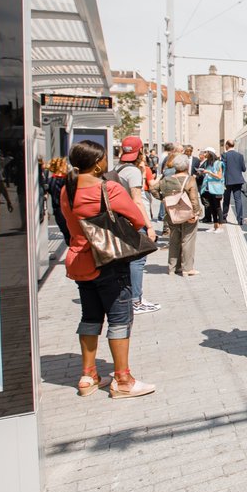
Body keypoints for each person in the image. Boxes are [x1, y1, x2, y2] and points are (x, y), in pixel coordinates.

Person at [61, 140, 154, 399]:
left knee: (90, 317)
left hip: (79, 260)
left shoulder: (66, 189)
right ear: (98, 162)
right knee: (120, 320)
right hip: (107, 260)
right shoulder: (108, 188)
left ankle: (88, 376)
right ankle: (123, 379)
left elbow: (66, 221)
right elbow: (136, 218)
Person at [113, 137, 160, 315]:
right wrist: (148, 226)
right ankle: (136, 300)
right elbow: (137, 202)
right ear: (141, 151)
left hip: (122, 221)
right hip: (134, 221)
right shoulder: (132, 172)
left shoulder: (117, 168)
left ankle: (130, 298)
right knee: (138, 261)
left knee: (129, 261)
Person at [150, 154, 201, 276]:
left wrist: (163, 198)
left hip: (172, 214)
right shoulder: (190, 180)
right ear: (187, 166)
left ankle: (173, 267)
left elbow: (153, 188)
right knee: (187, 239)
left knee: (174, 240)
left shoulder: (167, 179)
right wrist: (196, 212)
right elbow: (194, 199)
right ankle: (187, 269)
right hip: (188, 214)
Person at [221, 140, 247, 225]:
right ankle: (240, 220)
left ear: (227, 145)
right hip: (238, 181)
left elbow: (222, 168)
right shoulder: (240, 156)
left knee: (226, 200)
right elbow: (244, 169)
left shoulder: (224, 155)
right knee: (238, 200)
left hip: (227, 181)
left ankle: (224, 217)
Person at [199, 148, 226, 232]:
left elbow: (219, 176)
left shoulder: (218, 163)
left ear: (210, 153)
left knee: (217, 207)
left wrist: (209, 173)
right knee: (211, 208)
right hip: (208, 188)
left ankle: (220, 226)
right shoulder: (207, 163)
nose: (204, 154)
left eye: (206, 152)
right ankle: (215, 225)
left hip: (216, 188)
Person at [47, 157, 71, 246]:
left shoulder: (49, 181)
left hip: (57, 211)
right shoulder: (69, 180)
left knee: (66, 234)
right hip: (69, 209)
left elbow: (46, 196)